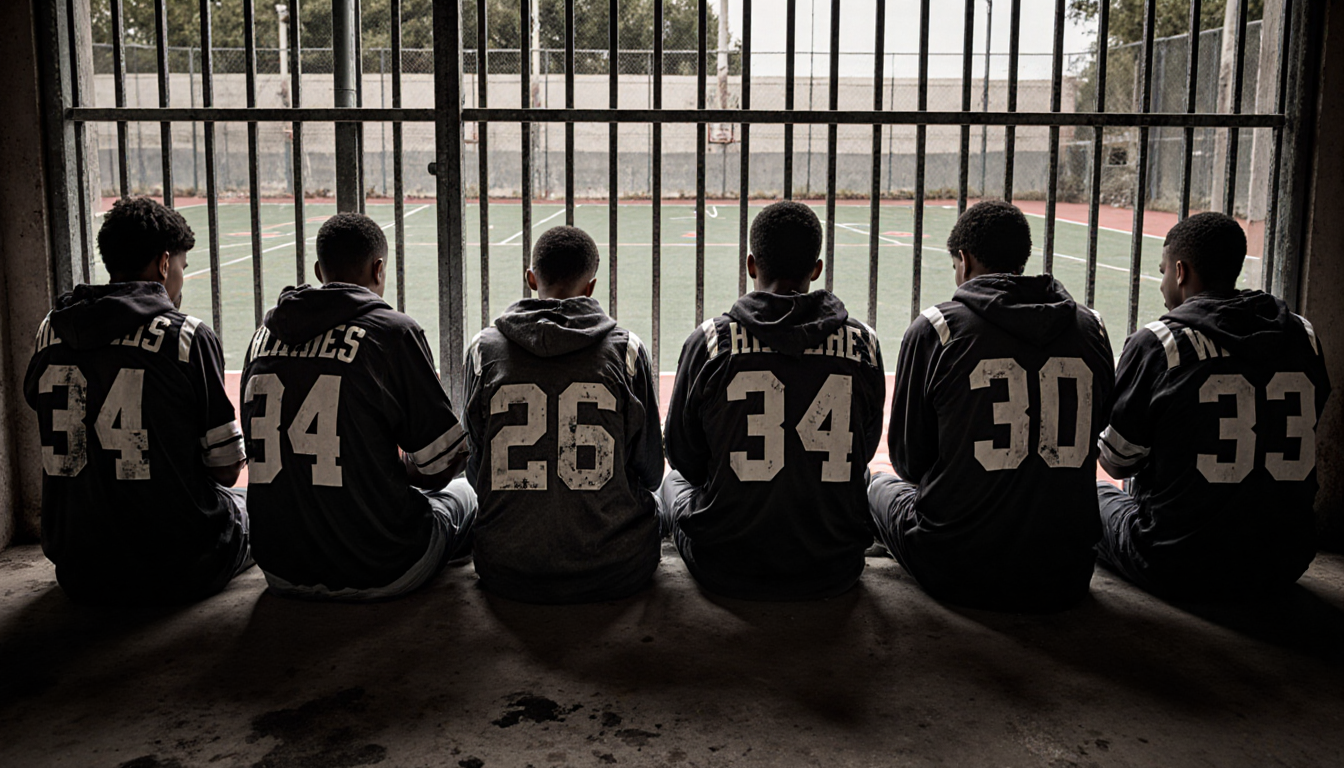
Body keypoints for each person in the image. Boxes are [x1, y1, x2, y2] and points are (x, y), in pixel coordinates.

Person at [868, 200, 1115, 612]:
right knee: (1103, 494)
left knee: (877, 484)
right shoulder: (1091, 327)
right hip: (1065, 572)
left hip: (957, 568)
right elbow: (1100, 431)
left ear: (963, 260)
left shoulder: (938, 328)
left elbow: (910, 462)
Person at [23, 196, 250, 604]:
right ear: (164, 264)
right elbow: (228, 469)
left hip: (77, 569)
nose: (181, 278)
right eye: (182, 267)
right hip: (176, 566)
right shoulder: (186, 336)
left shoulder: (51, 329)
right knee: (253, 505)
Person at [240, 212, 475, 601]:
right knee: (466, 494)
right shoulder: (393, 332)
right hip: (382, 566)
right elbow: (438, 467)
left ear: (319, 270)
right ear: (379, 268)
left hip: (280, 569)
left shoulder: (263, 334)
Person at [1096, 212, 1330, 600]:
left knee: (1096, 493)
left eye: (1163, 272)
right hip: (1285, 560)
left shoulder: (1160, 341)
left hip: (1180, 562)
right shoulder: (1301, 333)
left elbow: (1117, 461)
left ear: (1181, 271)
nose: (1162, 284)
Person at [661, 201, 887, 601]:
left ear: (751, 265)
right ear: (816, 269)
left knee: (670, 481)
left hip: (726, 567)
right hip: (834, 566)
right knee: (869, 480)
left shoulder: (711, 341)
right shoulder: (863, 342)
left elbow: (684, 456)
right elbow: (864, 449)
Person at [461, 226, 663, 603]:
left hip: (505, 567)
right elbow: (651, 471)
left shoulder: (483, 349)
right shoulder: (626, 350)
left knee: (456, 494)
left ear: (530, 278)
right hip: (618, 567)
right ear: (591, 287)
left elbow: (475, 470)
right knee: (669, 494)